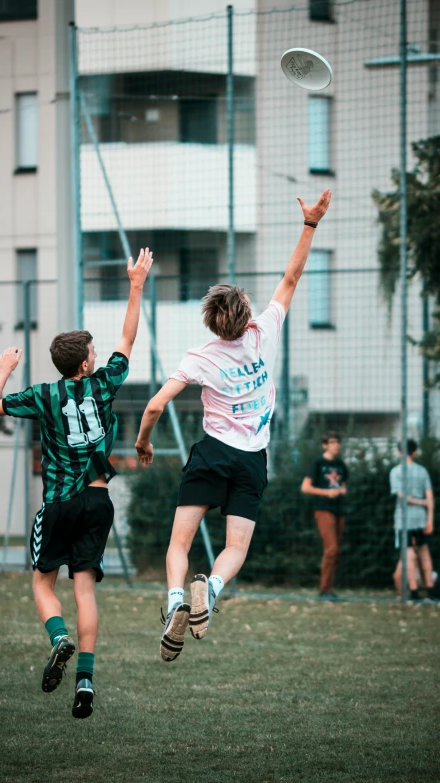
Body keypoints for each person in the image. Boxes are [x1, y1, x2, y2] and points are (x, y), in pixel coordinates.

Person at [135, 190, 332, 661]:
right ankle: (213, 589)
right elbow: (291, 276)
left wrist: (144, 442)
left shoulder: (200, 358)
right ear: (245, 316)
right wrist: (310, 225)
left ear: (212, 323)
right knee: (236, 546)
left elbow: (155, 407)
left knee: (179, 542)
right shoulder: (265, 332)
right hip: (251, 458)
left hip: (211, 453)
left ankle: (176, 603)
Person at [0, 248, 153, 717]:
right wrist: (136, 284)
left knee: (42, 585)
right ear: (84, 364)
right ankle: (85, 685)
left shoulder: (43, 394)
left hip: (58, 503)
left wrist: (3, 372)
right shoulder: (103, 384)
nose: (99, 355)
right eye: (93, 352)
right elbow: (128, 337)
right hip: (98, 503)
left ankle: (58, 639)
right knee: (85, 592)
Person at [301, 431, 348, 600]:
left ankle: (328, 589)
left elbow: (343, 484)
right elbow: (305, 487)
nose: (336, 445)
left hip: (339, 510)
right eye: (333, 442)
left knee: (336, 551)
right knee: (331, 549)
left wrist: (342, 490)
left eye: (338, 442)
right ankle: (324, 590)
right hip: (323, 509)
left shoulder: (341, 464)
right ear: (325, 445)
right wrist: (327, 493)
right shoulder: (318, 463)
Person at [389, 439, 435, 601]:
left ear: (398, 452)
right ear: (414, 452)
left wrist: (418, 501)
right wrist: (430, 518)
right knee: (424, 552)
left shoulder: (395, 472)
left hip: (404, 518)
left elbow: (401, 497)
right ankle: (430, 589)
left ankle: (414, 591)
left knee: (408, 554)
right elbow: (430, 496)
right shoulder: (422, 471)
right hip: (421, 517)